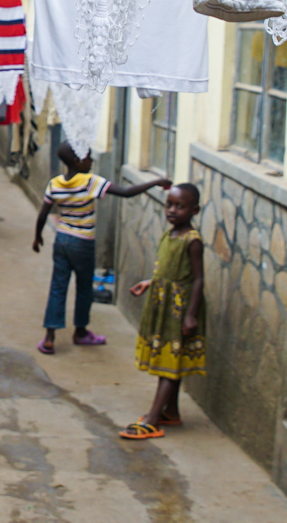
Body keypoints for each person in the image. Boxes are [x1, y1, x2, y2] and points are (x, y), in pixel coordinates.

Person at [32, 142, 170, 354]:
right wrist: (155, 182)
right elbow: (125, 192)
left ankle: (49, 337)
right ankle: (80, 332)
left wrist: (37, 237)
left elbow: (43, 213)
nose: (92, 161)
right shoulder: (90, 182)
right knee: (84, 287)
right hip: (82, 242)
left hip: (62, 240)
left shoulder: (55, 184)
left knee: (58, 287)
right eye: (88, 157)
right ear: (78, 161)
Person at [120, 183, 206, 440]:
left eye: (180, 206)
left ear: (194, 210)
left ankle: (153, 419)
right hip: (164, 305)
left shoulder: (193, 241)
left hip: (180, 309)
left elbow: (199, 279)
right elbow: (167, 271)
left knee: (168, 364)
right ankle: (171, 411)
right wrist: (150, 283)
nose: (172, 210)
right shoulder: (170, 235)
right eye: (169, 204)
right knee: (172, 359)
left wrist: (191, 315)